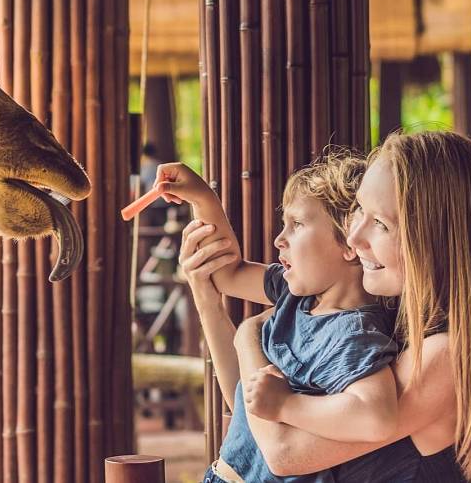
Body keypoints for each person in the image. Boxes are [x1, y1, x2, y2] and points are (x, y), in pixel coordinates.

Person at [182, 131, 471, 482]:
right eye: (360, 211)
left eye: (380, 223)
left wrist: (249, 334)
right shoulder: (387, 318)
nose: (353, 238)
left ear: (433, 238)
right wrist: (206, 297)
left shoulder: (441, 356)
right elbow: (252, 423)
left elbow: (283, 452)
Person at [156, 153, 406, 482]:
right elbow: (226, 274)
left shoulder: (353, 333)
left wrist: (285, 404)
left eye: (297, 224)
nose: (279, 239)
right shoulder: (296, 296)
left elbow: (376, 416)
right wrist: (202, 198)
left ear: (350, 242)